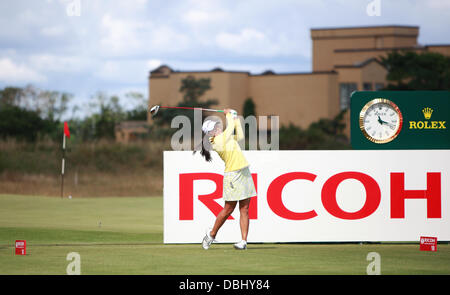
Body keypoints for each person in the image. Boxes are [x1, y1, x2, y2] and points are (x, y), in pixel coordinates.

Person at [195, 109, 257, 250]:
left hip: (244, 171)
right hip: (232, 176)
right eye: (213, 128)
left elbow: (239, 135)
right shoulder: (216, 141)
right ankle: (211, 235)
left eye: (217, 126)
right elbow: (229, 129)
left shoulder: (225, 137)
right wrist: (229, 115)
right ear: (209, 133)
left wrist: (235, 119)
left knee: (245, 209)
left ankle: (243, 241)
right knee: (228, 209)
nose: (217, 128)